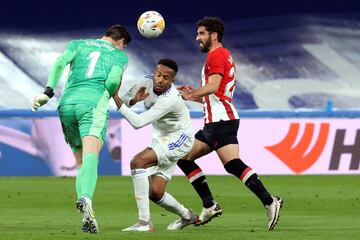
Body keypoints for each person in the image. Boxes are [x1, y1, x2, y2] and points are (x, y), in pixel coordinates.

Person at [175, 17, 283, 231]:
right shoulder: (221, 55)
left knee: (186, 158)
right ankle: (264, 201)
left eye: (201, 33)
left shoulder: (216, 55)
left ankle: (216, 204)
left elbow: (214, 86)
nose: (197, 38)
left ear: (213, 35)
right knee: (225, 163)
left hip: (219, 121)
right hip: (222, 119)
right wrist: (193, 95)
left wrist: (192, 95)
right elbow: (216, 93)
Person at [30, 24, 132, 234]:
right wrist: (113, 90)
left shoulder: (78, 44)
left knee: (80, 162)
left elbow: (60, 62)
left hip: (66, 105)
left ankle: (87, 214)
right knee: (91, 156)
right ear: (120, 42)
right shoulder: (119, 56)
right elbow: (112, 81)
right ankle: (86, 198)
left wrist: (48, 92)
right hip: (92, 105)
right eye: (123, 46)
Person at [113, 59, 199, 232]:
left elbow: (137, 122)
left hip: (180, 137)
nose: (160, 80)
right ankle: (188, 216)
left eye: (165, 78)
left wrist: (113, 96)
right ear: (154, 72)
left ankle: (144, 222)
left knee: (138, 162)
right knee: (155, 193)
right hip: (161, 137)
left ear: (172, 81)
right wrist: (133, 101)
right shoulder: (146, 81)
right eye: (158, 75)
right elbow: (124, 101)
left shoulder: (170, 98)